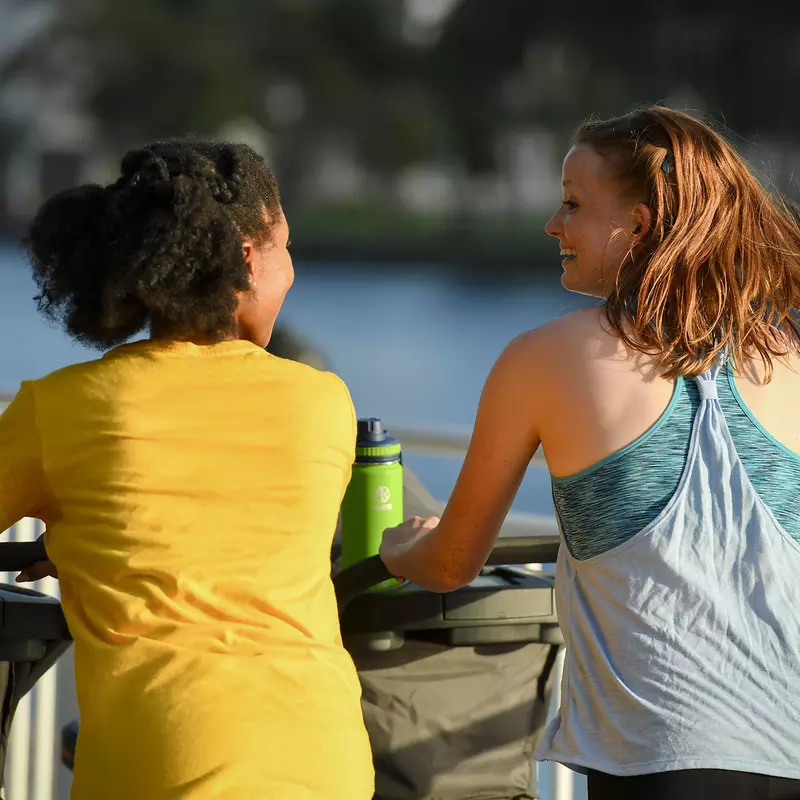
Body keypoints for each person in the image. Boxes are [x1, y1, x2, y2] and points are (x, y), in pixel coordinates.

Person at [379, 105, 800, 800]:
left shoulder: (544, 358)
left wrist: (398, 550)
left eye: (572, 205)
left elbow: (453, 562)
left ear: (637, 225)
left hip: (662, 759)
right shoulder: (785, 358)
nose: (553, 224)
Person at [1, 140, 374, 799]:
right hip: (323, 760)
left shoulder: (59, 408)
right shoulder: (323, 403)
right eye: (287, 248)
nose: (293, 272)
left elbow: (146, 504)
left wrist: (78, 542)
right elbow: (233, 526)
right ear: (250, 260)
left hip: (161, 763)